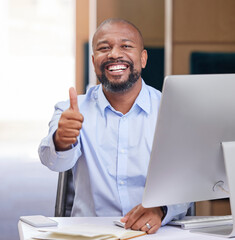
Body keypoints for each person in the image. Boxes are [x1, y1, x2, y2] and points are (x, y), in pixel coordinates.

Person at [38, 18, 190, 234]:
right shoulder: (71, 110)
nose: (114, 54)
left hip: (157, 232)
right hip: (90, 233)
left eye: (126, 46)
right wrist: (61, 141)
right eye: (104, 48)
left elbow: (188, 181)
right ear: (94, 60)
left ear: (143, 58)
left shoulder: (173, 110)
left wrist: (162, 210)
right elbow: (53, 162)